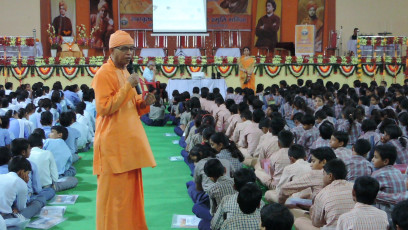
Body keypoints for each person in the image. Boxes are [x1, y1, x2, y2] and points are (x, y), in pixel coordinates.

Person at [91, 30, 156, 230]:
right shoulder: (104, 73)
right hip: (112, 146)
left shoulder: (126, 72)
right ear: (112, 50)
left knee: (130, 197)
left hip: (128, 146)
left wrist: (144, 102)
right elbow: (104, 108)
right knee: (112, 200)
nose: (129, 53)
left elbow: (131, 106)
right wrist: (127, 86)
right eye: (125, 49)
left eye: (131, 49)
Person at [294, 159, 354, 230]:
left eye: (323, 174)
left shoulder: (323, 193)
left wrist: (312, 210)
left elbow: (316, 223)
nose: (322, 177)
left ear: (330, 176)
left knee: (299, 221)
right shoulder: (354, 187)